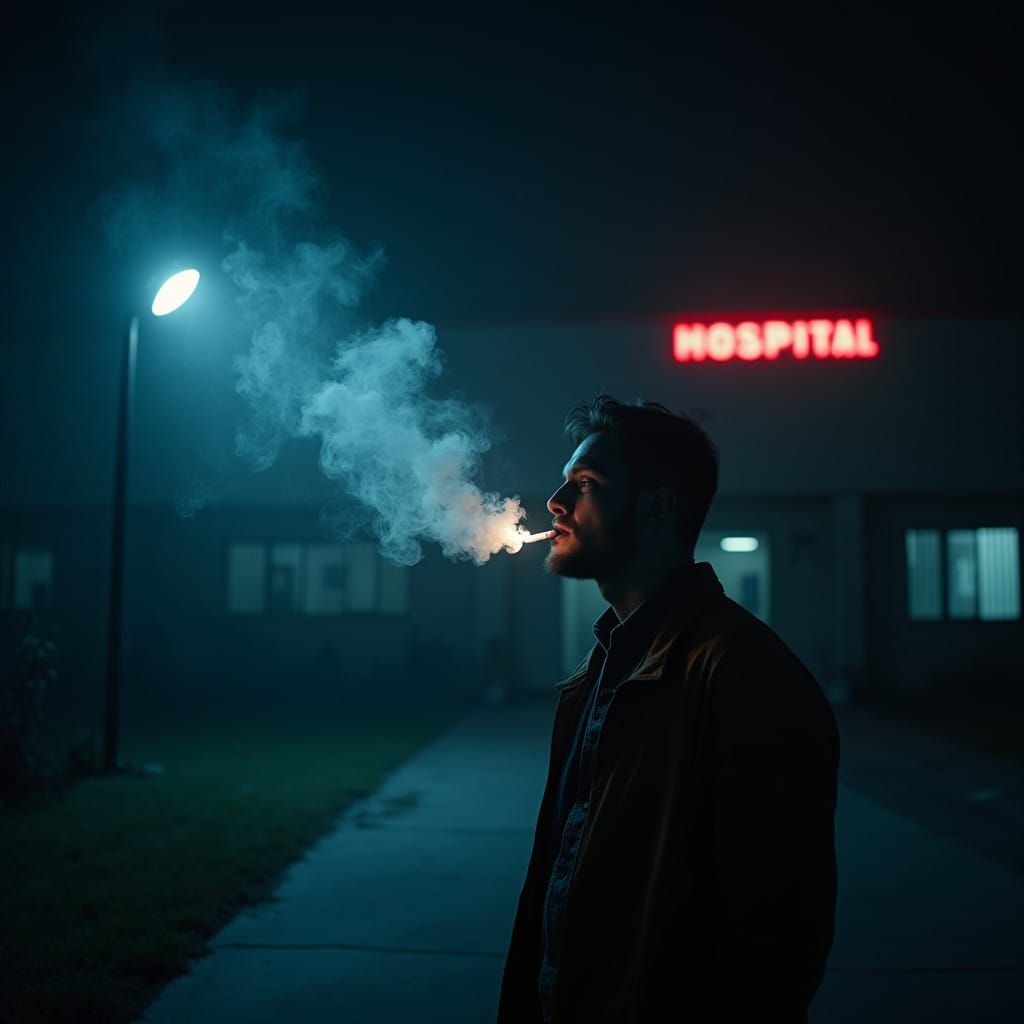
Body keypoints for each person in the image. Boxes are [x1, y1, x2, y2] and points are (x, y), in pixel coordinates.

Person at [497, 396, 840, 1024]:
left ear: (656, 508)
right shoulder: (601, 668)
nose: (555, 502)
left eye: (586, 485)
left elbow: (777, 941)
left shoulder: (746, 677)